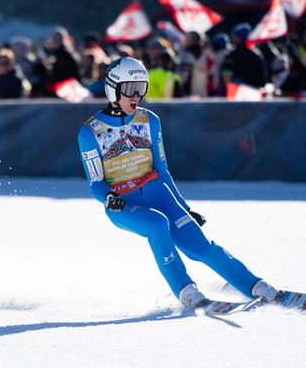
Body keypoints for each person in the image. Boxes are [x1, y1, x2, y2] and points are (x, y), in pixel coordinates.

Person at [77, 56, 279, 309]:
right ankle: (184, 289)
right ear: (112, 88)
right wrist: (109, 198)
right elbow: (95, 182)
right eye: (130, 88)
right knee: (157, 225)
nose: (136, 96)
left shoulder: (149, 120)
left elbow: (162, 170)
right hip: (124, 203)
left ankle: (253, 285)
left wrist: (184, 206)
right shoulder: (90, 131)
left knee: (200, 246)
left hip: (157, 191)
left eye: (141, 88)